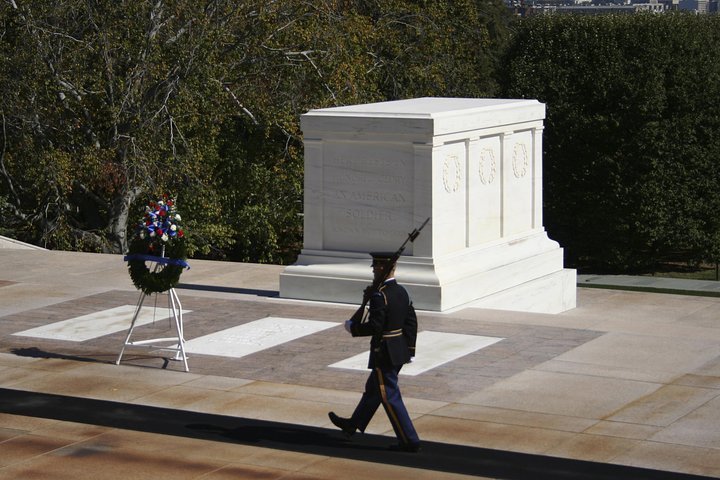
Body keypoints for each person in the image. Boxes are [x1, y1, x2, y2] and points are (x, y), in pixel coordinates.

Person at [328, 252, 421, 452]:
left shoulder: (381, 296)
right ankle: (353, 424)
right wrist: (409, 349)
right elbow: (411, 322)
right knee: (373, 389)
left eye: (375, 266)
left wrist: (353, 328)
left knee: (389, 394)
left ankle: (409, 439)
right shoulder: (402, 292)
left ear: (382, 269)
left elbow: (375, 326)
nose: (372, 269)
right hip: (398, 350)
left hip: (384, 353)